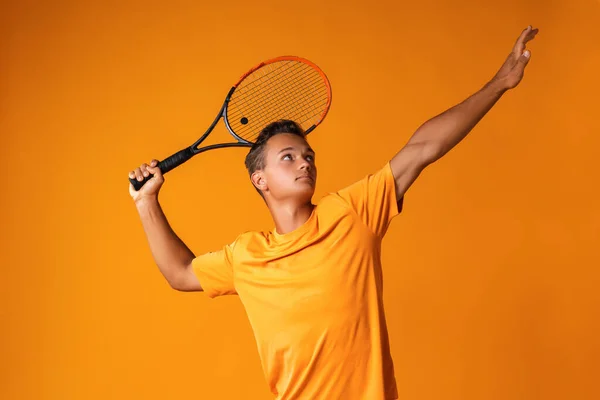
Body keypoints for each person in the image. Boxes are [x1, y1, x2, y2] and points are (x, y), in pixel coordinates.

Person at [129, 26, 538, 400]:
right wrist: (147, 202)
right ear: (260, 180)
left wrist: (500, 83)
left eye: (308, 155)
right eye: (287, 157)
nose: (304, 163)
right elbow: (180, 274)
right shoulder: (246, 256)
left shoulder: (352, 212)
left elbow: (422, 148)